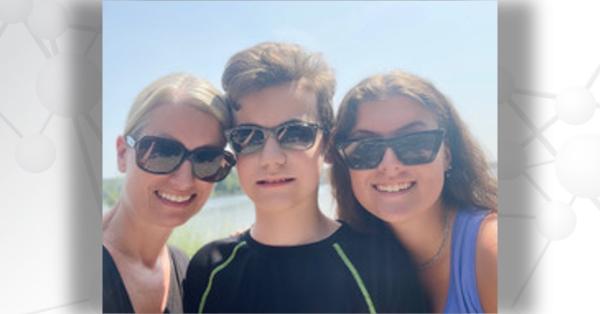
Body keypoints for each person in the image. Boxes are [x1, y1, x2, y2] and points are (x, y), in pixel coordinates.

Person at [183, 43, 430, 313]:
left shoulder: (381, 267)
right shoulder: (209, 271)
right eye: (249, 136)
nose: (271, 158)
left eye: (295, 133)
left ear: (327, 144)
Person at [329, 70, 498, 313]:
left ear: (447, 155)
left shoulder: (492, 251)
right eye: (365, 149)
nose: (390, 165)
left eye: (414, 142)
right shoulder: (355, 263)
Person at [102, 73, 236, 313]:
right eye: (162, 152)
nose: (184, 181)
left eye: (206, 159)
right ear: (123, 154)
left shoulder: (186, 272)